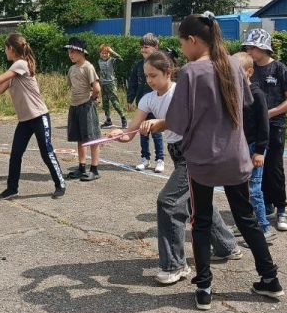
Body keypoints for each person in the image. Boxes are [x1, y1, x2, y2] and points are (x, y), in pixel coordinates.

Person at [145, 12, 283, 311]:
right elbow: (246, 102)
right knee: (246, 219)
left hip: (203, 158)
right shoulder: (233, 64)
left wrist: (158, 124)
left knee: (201, 220)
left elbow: (178, 121)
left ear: (192, 40)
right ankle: (270, 278)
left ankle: (205, 286)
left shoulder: (191, 72)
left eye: (182, 44)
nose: (182, 49)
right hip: (235, 154)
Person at [109, 50, 242, 285]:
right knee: (194, 200)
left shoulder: (182, 92)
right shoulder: (147, 99)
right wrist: (120, 134)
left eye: (153, 75)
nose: (149, 80)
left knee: (168, 202)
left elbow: (195, 121)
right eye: (146, 76)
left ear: (168, 72)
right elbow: (130, 133)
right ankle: (227, 246)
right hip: (178, 153)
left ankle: (175, 265)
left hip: (196, 151)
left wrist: (162, 123)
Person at [0, 33, 66, 200]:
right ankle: (12, 189)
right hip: (25, 120)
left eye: (5, 48)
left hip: (39, 116)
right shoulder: (14, 70)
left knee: (46, 152)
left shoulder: (21, 64)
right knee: (16, 154)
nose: (5, 51)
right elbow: (0, 89)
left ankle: (60, 184)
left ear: (11, 48)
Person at [241, 29, 287, 232]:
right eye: (247, 47)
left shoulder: (279, 69)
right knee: (255, 169)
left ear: (264, 48)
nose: (249, 51)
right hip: (251, 129)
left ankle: (281, 209)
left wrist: (268, 113)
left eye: (252, 47)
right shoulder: (249, 69)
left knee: (274, 168)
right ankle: (264, 206)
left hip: (275, 126)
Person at [231, 52, 273, 243]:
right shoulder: (234, 93)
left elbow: (264, 125)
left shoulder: (257, 94)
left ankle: (264, 227)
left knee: (254, 188)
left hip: (254, 147)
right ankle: (246, 224)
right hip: (239, 147)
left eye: (237, 71)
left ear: (249, 72)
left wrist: (259, 152)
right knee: (240, 189)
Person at [64, 37, 102, 182]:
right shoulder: (71, 69)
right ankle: (81, 167)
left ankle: (94, 169)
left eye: (73, 52)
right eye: (69, 52)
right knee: (80, 138)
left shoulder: (88, 67)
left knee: (92, 138)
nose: (70, 54)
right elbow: (71, 86)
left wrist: (92, 98)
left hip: (86, 105)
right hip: (74, 106)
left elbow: (96, 87)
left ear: (82, 52)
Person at [126, 33, 165, 173]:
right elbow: (133, 83)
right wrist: (130, 99)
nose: (143, 49)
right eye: (141, 47)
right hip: (142, 104)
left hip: (156, 104)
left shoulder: (161, 64)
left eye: (146, 47)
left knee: (156, 132)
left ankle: (160, 159)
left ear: (156, 47)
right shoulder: (138, 65)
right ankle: (145, 158)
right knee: (142, 132)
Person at [97, 44, 128, 129]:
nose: (104, 55)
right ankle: (108, 120)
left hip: (111, 84)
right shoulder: (99, 61)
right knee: (105, 103)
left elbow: (120, 59)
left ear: (109, 54)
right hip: (103, 84)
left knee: (115, 102)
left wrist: (112, 51)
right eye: (103, 53)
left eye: (106, 53)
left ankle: (123, 118)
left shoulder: (112, 60)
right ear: (100, 53)